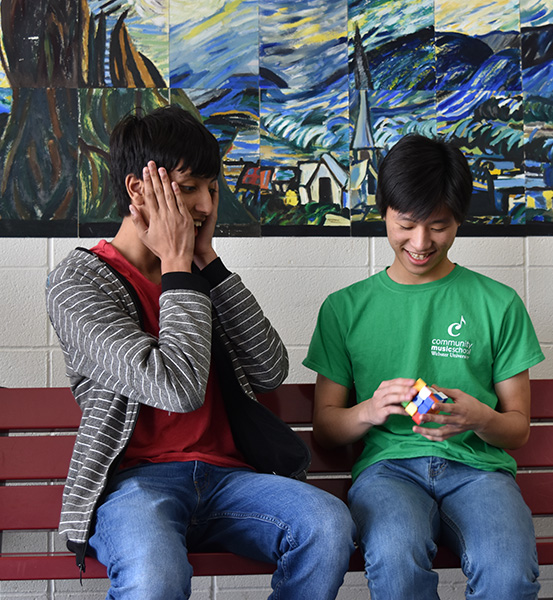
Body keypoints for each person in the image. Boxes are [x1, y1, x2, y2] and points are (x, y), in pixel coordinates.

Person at [46, 105, 354, 599]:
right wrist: (178, 269)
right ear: (137, 190)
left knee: (327, 524)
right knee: (154, 574)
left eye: (212, 188)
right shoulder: (79, 281)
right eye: (189, 189)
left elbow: (270, 369)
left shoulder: (199, 274)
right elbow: (177, 388)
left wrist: (208, 264)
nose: (207, 207)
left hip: (229, 479)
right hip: (136, 485)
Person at [304, 134, 544, 599]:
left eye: (438, 225)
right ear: (384, 212)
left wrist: (480, 417)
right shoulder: (344, 309)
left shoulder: (499, 304)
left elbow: (517, 429)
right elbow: (326, 429)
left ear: (459, 221)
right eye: (407, 224)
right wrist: (370, 411)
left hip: (480, 470)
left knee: (508, 573)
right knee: (395, 560)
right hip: (388, 470)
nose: (420, 242)